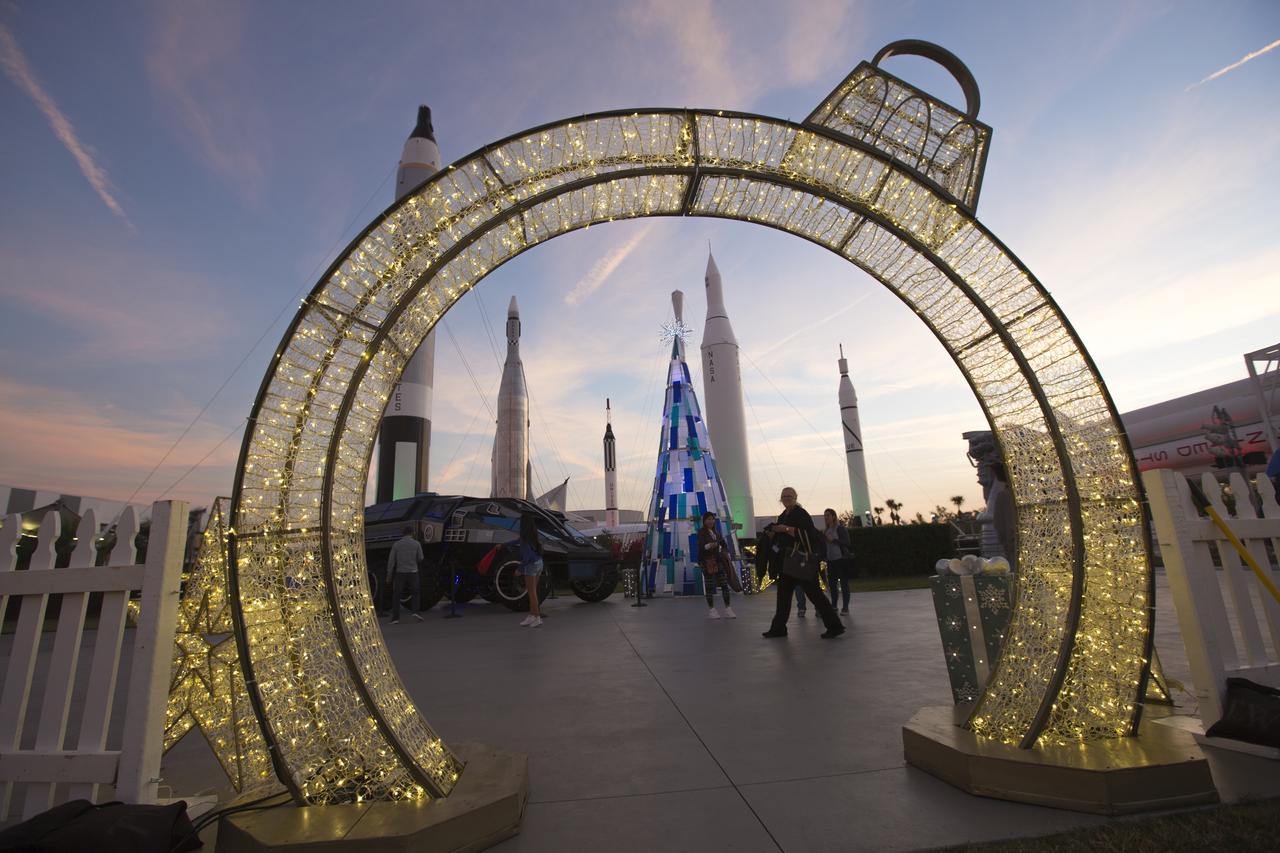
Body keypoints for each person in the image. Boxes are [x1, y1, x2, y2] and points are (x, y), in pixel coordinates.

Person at [762, 487, 845, 639]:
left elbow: (809, 534)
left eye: (789, 496)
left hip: (800, 562)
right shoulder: (783, 515)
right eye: (784, 496)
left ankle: (835, 626)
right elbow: (782, 538)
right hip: (788, 563)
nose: (786, 498)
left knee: (816, 596)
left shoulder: (801, 514)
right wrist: (774, 533)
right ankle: (778, 628)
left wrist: (786, 529)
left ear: (795, 498)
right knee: (783, 597)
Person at [697, 512, 736, 619]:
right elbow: (701, 547)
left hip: (718, 561)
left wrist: (722, 549)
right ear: (704, 521)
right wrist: (711, 545)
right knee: (709, 587)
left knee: (724, 584)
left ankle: (728, 608)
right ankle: (712, 610)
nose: (711, 521)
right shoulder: (701, 533)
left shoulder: (716, 533)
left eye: (712, 519)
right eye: (708, 519)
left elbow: (724, 544)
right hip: (707, 562)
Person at [385, 524, 424, 624]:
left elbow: (391, 561)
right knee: (415, 592)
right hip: (413, 571)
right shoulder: (416, 544)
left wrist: (389, 575)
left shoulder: (397, 545)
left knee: (397, 595)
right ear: (412, 533)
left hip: (400, 572)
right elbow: (420, 558)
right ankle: (415, 612)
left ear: (403, 534)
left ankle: (395, 618)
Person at [823, 509, 853, 615]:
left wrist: (833, 540)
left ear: (834, 517)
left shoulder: (840, 529)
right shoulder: (826, 531)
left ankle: (845, 607)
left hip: (841, 560)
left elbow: (847, 542)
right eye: (825, 516)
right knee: (832, 585)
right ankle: (834, 605)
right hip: (830, 561)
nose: (826, 517)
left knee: (844, 584)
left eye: (828, 515)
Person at [518, 512, 545, 627]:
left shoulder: (524, 537)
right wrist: (504, 545)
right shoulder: (533, 534)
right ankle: (532, 615)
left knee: (531, 593)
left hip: (531, 566)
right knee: (533, 592)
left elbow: (527, 557)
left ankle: (537, 617)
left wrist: (519, 568)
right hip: (539, 563)